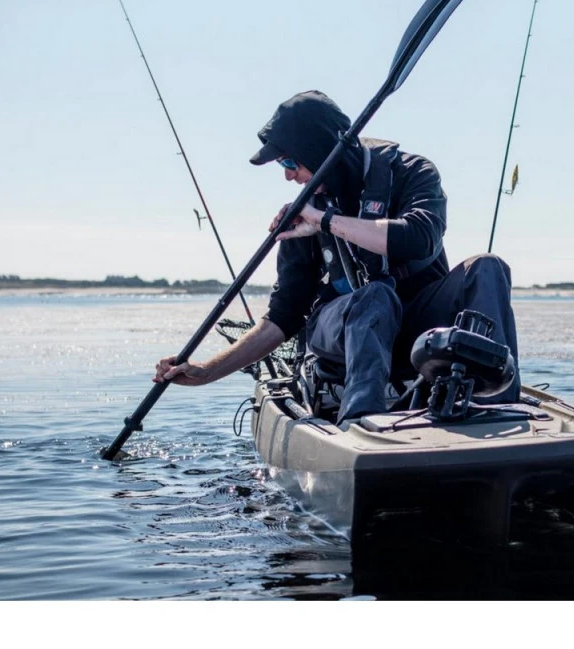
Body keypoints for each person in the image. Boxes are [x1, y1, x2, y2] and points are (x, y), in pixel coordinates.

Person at [154, 90, 522, 423]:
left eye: (289, 163)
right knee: (375, 297)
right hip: (343, 332)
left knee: (487, 267)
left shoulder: (412, 173)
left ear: (320, 150)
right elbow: (282, 317)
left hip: (419, 330)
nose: (289, 177)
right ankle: (363, 422)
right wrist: (206, 371)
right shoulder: (301, 212)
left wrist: (326, 222)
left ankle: (497, 406)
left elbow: (420, 238)